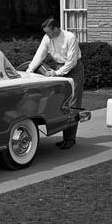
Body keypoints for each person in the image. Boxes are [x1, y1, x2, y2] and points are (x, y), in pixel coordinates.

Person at [26, 18, 84, 150]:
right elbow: (39, 55)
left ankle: (70, 139)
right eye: (46, 32)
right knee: (61, 103)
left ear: (56, 29)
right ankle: (65, 138)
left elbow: (72, 62)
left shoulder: (70, 37)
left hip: (74, 70)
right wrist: (29, 70)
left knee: (73, 104)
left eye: (49, 32)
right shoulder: (47, 38)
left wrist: (57, 73)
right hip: (58, 67)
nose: (47, 35)